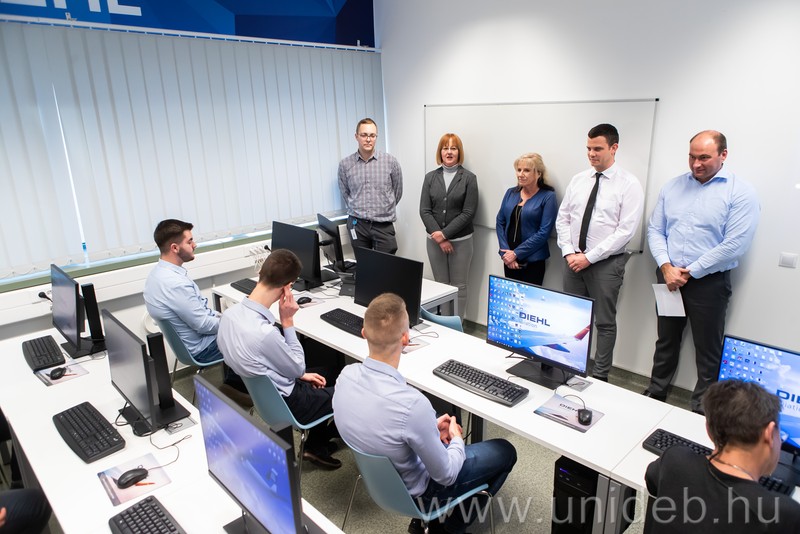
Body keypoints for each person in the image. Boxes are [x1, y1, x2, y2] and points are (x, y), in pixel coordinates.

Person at [333, 293, 517, 534]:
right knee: (506, 451)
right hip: (420, 494)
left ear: (364, 333)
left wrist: (429, 426)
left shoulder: (345, 377)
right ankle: (450, 529)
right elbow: (446, 475)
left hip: (378, 484)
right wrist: (457, 439)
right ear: (406, 338)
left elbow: (384, 426)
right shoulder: (412, 404)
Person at [644, 131, 759, 412]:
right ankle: (655, 393)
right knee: (666, 340)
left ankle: (701, 408)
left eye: (704, 157)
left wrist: (690, 271)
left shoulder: (740, 192)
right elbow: (655, 229)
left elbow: (735, 244)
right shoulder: (673, 187)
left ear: (723, 155)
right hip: (669, 279)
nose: (696, 164)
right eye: (692, 157)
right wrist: (666, 266)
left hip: (709, 284)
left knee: (707, 349)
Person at [216, 249, 341, 469]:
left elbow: (275, 366)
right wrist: (287, 321)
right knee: (353, 393)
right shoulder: (265, 333)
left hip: (267, 397)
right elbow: (297, 367)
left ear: (260, 274)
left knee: (330, 369)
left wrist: (300, 375)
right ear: (287, 287)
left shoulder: (229, 316)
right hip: (292, 403)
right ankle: (318, 440)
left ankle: (316, 445)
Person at [644, 380, 800, 532]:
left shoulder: (674, 459)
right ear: (769, 433)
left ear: (708, 429)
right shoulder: (783, 514)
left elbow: (652, 481)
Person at [555, 124, 644, 382]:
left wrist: (589, 257)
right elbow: (563, 219)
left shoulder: (629, 184)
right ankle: (571, 368)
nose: (591, 154)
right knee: (574, 319)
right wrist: (569, 252)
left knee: (604, 323)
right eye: (588, 148)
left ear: (614, 148)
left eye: (597, 149)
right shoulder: (578, 180)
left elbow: (625, 231)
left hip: (605, 264)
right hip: (573, 261)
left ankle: (600, 377)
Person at [143, 219, 249, 403]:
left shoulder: (157, 274)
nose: (195, 245)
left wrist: (226, 317)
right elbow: (203, 325)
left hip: (186, 345)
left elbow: (202, 315)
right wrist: (234, 322)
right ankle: (238, 390)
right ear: (175, 248)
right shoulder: (175, 284)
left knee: (240, 321)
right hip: (202, 349)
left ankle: (236, 384)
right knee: (255, 332)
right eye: (190, 241)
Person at [419, 133, 478, 317]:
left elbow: (468, 212)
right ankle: (444, 323)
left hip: (461, 242)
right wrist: (439, 237)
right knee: (441, 286)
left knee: (459, 287)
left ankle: (457, 326)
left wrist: (444, 234)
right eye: (445, 148)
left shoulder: (469, 178)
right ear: (440, 152)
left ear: (459, 152)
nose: (449, 152)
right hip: (434, 242)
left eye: (453, 148)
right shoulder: (430, 177)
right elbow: (424, 210)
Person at [338, 118, 403, 254]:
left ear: (376, 137)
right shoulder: (345, 164)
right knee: (363, 264)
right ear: (356, 136)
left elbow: (397, 192)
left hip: (383, 225)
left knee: (386, 264)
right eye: (364, 135)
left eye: (372, 135)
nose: (368, 139)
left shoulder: (390, 162)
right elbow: (345, 193)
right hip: (357, 225)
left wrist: (383, 208)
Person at [496, 152, 557, 286]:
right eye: (519, 170)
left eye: (527, 170)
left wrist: (516, 253)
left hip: (533, 261)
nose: (521, 174)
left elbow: (544, 232)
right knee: (510, 297)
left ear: (538, 173)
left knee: (529, 298)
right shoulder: (511, 193)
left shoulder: (548, 196)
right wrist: (505, 253)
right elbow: (500, 222)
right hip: (508, 259)